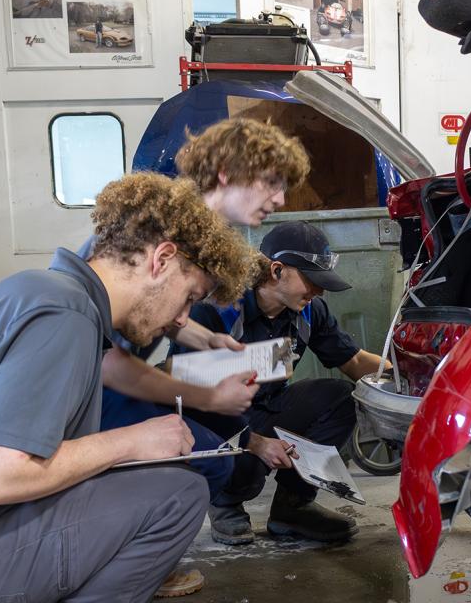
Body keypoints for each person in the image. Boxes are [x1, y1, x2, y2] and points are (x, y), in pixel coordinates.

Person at [0, 173, 255, 603]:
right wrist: (131, 440)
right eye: (189, 296)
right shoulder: (64, 315)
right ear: (161, 259)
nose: (182, 319)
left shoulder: (48, 295)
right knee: (180, 494)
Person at [78, 115, 309, 595]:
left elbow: (162, 314)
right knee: (205, 455)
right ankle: (117, 559)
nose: (281, 199)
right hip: (93, 389)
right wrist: (203, 395)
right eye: (271, 182)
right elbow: (110, 356)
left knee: (226, 426)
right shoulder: (154, 230)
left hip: (115, 372)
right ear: (226, 171)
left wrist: (210, 343)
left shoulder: (190, 230)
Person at [177, 221, 388, 545]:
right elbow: (186, 396)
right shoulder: (216, 310)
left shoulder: (309, 311)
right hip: (214, 420)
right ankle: (225, 502)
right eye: (312, 281)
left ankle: (293, 507)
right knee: (246, 464)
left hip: (266, 407)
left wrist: (408, 378)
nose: (319, 291)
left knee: (343, 398)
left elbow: (355, 362)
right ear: (277, 271)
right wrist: (257, 443)